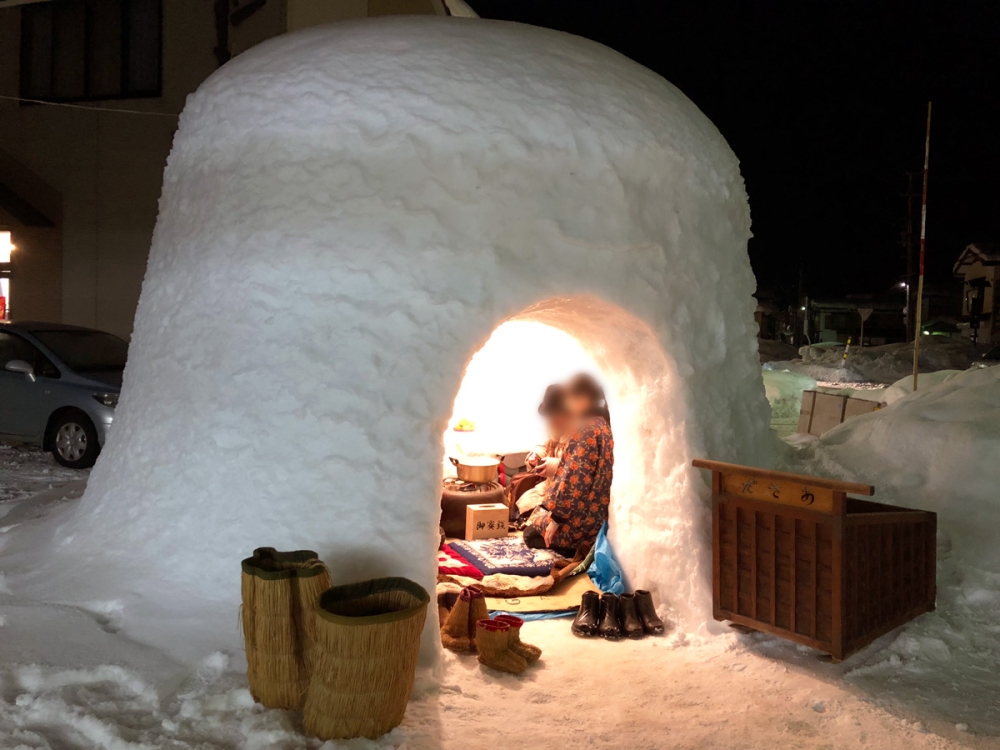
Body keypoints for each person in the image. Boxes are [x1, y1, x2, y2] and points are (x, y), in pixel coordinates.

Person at [524, 373, 614, 555]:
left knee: (530, 534)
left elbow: (574, 481)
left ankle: (573, 547)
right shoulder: (602, 424)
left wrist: (557, 519)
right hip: (596, 514)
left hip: (583, 520)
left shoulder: (584, 430)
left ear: (582, 399)